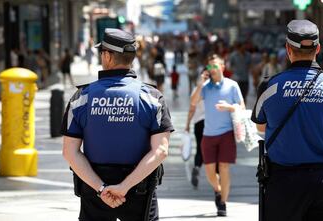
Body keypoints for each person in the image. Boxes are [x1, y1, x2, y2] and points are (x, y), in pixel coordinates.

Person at [61, 28, 174, 221]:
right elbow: (161, 150)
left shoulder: (82, 98)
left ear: (107, 56)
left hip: (95, 191)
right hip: (139, 190)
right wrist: (124, 187)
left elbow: (69, 152)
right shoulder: (152, 98)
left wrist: (102, 188)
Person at [251, 20, 323, 221]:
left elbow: (260, 126)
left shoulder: (269, 86)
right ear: (318, 49)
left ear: (288, 49)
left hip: (283, 185)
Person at [190, 54, 245, 216]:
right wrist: (200, 84)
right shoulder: (205, 87)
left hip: (227, 133)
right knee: (209, 171)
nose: (212, 69)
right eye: (209, 67)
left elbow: (241, 107)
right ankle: (218, 190)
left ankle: (222, 203)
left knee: (224, 167)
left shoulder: (232, 85)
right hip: (208, 134)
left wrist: (229, 107)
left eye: (215, 66)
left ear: (222, 67)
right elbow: (193, 102)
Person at [185, 97, 205, 188]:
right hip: (212, 123)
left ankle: (197, 166)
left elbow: (191, 109)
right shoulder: (215, 88)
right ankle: (217, 173)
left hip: (199, 123)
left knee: (199, 148)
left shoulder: (197, 90)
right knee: (212, 149)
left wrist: (188, 124)